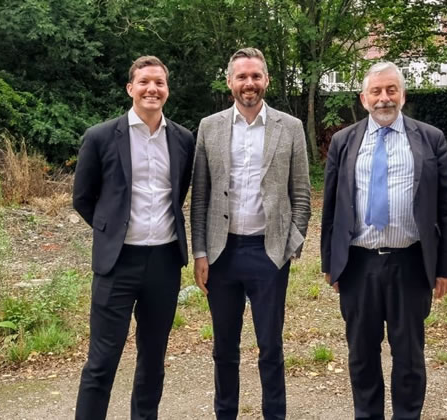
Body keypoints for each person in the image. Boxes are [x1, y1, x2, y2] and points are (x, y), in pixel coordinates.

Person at [321, 61, 447, 419]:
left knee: (409, 356)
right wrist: (330, 264)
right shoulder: (343, 141)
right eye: (376, 92)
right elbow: (332, 207)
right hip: (358, 264)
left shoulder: (430, 139)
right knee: (362, 356)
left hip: (410, 263)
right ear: (363, 98)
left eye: (391, 90)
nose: (384, 98)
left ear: (402, 94)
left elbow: (446, 208)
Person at [190, 47, 311, 420]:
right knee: (224, 348)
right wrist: (200, 253)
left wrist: (292, 243)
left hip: (269, 253)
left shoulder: (289, 128)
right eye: (242, 77)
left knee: (270, 347)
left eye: (256, 76)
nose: (249, 84)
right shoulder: (209, 127)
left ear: (266, 80)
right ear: (230, 82)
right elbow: (200, 196)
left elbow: (302, 193)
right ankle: (225, 414)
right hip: (221, 254)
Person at [72, 55, 195, 420]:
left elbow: (180, 191)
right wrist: (111, 231)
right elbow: (82, 197)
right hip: (117, 263)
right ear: (131, 88)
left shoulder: (183, 139)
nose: (151, 89)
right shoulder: (100, 136)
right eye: (144, 82)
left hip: (164, 262)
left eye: (159, 82)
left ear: (167, 90)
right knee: (102, 359)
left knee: (153, 358)